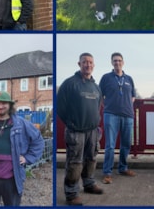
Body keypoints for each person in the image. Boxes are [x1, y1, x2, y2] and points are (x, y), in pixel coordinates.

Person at [0, 92, 44, 206]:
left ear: (10, 105)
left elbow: (38, 140)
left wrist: (28, 157)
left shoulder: (21, 124)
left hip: (12, 178)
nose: (0, 106)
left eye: (4, 103)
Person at [57, 53, 104, 206]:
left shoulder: (96, 87)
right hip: (75, 131)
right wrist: (71, 123)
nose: (88, 65)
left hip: (92, 131)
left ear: (94, 65)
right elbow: (60, 107)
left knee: (91, 159)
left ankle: (89, 183)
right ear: (79, 64)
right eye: (85, 62)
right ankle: (71, 193)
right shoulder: (69, 84)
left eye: (90, 62)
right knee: (75, 162)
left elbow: (98, 107)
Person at [99, 52, 137, 184]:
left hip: (128, 115)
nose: (117, 63)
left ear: (123, 62)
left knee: (126, 144)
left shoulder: (129, 79)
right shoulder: (106, 78)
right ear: (111, 63)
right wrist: (109, 107)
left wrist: (125, 106)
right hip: (111, 115)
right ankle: (107, 172)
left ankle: (123, 168)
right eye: (115, 61)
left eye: (119, 60)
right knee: (110, 145)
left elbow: (133, 96)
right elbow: (100, 97)